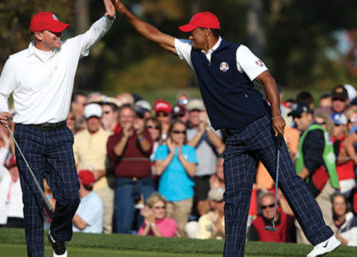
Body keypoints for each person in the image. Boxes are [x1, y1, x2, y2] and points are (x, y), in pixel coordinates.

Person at [110, 2, 340, 256]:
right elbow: (155, 36)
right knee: (234, 201)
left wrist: (276, 114)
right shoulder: (192, 52)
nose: (189, 35)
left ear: (207, 31)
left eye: (193, 31)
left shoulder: (237, 51)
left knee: (288, 182)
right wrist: (126, 13)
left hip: (261, 126)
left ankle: (324, 238)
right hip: (234, 137)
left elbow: (268, 79)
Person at [0, 2, 115, 256]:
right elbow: (0, 95)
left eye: (60, 30)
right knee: (34, 201)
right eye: (53, 31)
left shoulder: (68, 50)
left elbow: (93, 33)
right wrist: (1, 112)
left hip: (60, 133)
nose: (60, 34)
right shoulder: (16, 62)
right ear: (38, 35)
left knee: (71, 196)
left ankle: (58, 234)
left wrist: (108, 18)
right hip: (27, 135)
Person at [289, 103, 339, 245]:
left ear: (309, 116)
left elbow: (312, 161)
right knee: (321, 221)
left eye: (299, 116)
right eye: (294, 117)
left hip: (318, 184)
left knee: (313, 221)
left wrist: (297, 181)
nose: (296, 120)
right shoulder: (312, 132)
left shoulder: (313, 132)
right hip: (320, 182)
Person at [106, 104, 155, 234]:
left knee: (145, 221)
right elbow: (115, 154)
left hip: (144, 183)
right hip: (125, 183)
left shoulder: (144, 134)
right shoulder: (113, 138)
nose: (127, 120)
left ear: (134, 118)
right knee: (124, 220)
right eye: (124, 117)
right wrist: (125, 137)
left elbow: (147, 149)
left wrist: (139, 133)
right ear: (119, 118)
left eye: (129, 116)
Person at [73, 103, 114, 234]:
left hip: (104, 186)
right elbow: (74, 164)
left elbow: (115, 164)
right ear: (85, 119)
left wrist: (102, 172)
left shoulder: (109, 137)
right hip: (83, 190)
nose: (93, 121)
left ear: (100, 118)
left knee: (107, 226)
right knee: (82, 225)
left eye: (96, 118)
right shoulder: (78, 137)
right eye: (90, 118)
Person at [154, 120, 198, 237]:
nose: (180, 135)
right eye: (177, 132)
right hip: (165, 197)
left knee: (180, 231)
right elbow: (158, 170)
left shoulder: (190, 150)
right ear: (170, 133)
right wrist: (171, 154)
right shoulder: (162, 149)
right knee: (164, 231)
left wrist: (180, 155)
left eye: (183, 132)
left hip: (183, 196)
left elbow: (192, 171)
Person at [186, 98, 224, 219]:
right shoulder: (185, 130)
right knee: (191, 212)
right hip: (190, 178)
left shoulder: (212, 129)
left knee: (206, 211)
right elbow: (186, 149)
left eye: (198, 111)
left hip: (209, 178)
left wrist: (206, 128)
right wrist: (199, 133)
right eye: (192, 111)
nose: (195, 114)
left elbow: (220, 145)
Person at [72, 170, 104, 234]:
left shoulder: (95, 201)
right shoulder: (76, 197)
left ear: (80, 182)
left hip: (89, 239)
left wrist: (65, 208)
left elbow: (81, 224)